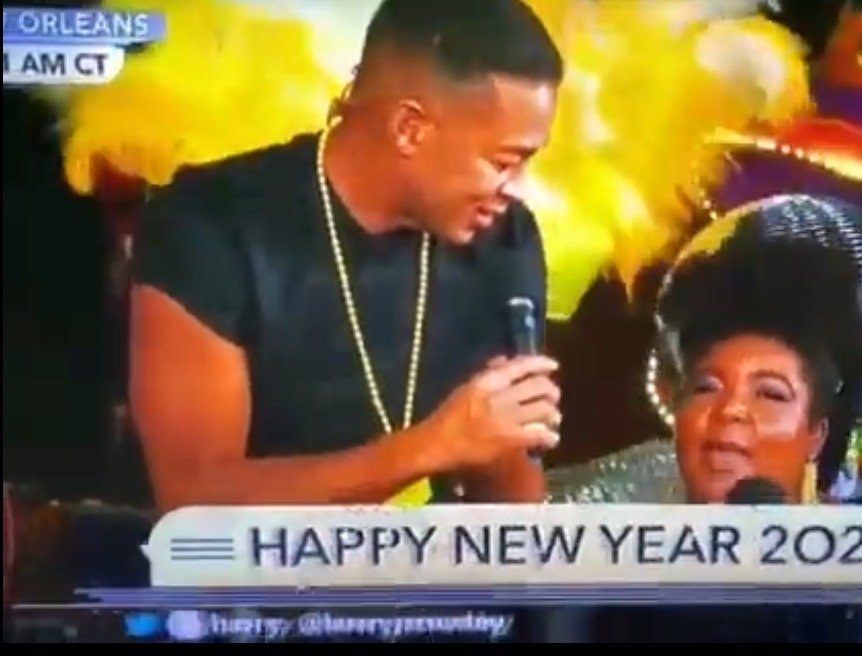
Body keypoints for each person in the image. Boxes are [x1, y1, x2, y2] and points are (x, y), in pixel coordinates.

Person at [129, 0, 565, 511]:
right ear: (409, 129)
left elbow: (512, 501)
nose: (518, 189)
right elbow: (193, 503)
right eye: (504, 162)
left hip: (427, 560)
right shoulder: (209, 227)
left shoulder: (505, 239)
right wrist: (430, 448)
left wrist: (508, 444)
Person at [549, 194, 862, 506]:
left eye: (770, 393)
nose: (730, 410)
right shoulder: (601, 515)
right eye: (706, 388)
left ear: (818, 433)